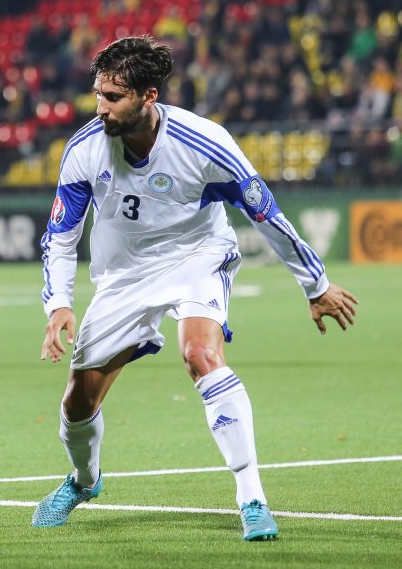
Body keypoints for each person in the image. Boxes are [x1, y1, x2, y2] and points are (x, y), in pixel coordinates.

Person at [34, 36, 358, 541]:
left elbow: (265, 214)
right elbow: (60, 235)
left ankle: (252, 498)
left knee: (201, 356)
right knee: (77, 402)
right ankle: (83, 480)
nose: (101, 108)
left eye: (113, 97)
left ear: (149, 96)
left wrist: (315, 284)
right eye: (97, 94)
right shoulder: (84, 149)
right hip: (123, 275)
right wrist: (58, 306)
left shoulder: (204, 145)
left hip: (196, 257)